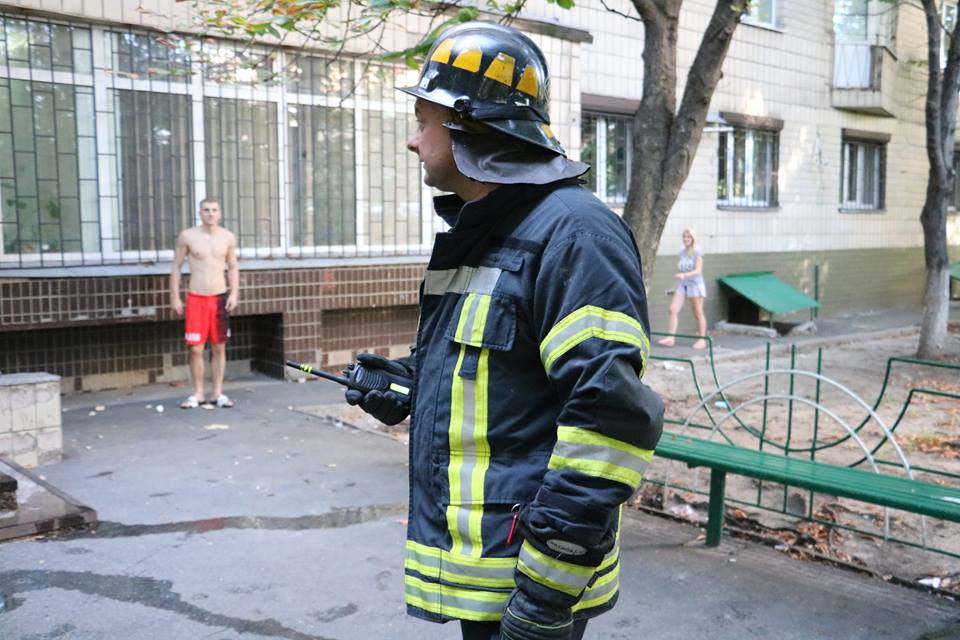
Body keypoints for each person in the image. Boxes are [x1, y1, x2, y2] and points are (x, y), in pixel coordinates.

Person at [342, 22, 664, 640]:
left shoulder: (575, 234)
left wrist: (547, 592)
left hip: (531, 584)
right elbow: (505, 379)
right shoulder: (485, 229)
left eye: (422, 121)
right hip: (489, 576)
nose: (412, 141)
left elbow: (611, 420)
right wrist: (410, 386)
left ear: (469, 125)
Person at [170, 197, 239, 409]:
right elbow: (176, 266)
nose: (210, 213)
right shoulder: (188, 236)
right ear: (200, 212)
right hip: (196, 298)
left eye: (214, 210)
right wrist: (175, 297)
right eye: (206, 210)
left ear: (220, 213)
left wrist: (234, 293)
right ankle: (198, 393)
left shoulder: (227, 237)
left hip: (219, 298)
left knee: (219, 347)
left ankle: (217, 393)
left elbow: (232, 267)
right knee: (196, 349)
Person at [657, 229, 707, 349]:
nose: (686, 239)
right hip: (682, 285)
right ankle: (670, 338)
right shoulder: (682, 253)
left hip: (695, 285)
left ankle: (702, 340)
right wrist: (674, 287)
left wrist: (684, 275)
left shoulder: (697, 252)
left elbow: (698, 271)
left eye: (688, 237)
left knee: (698, 313)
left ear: (693, 238)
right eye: (684, 237)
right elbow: (681, 272)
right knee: (672, 310)